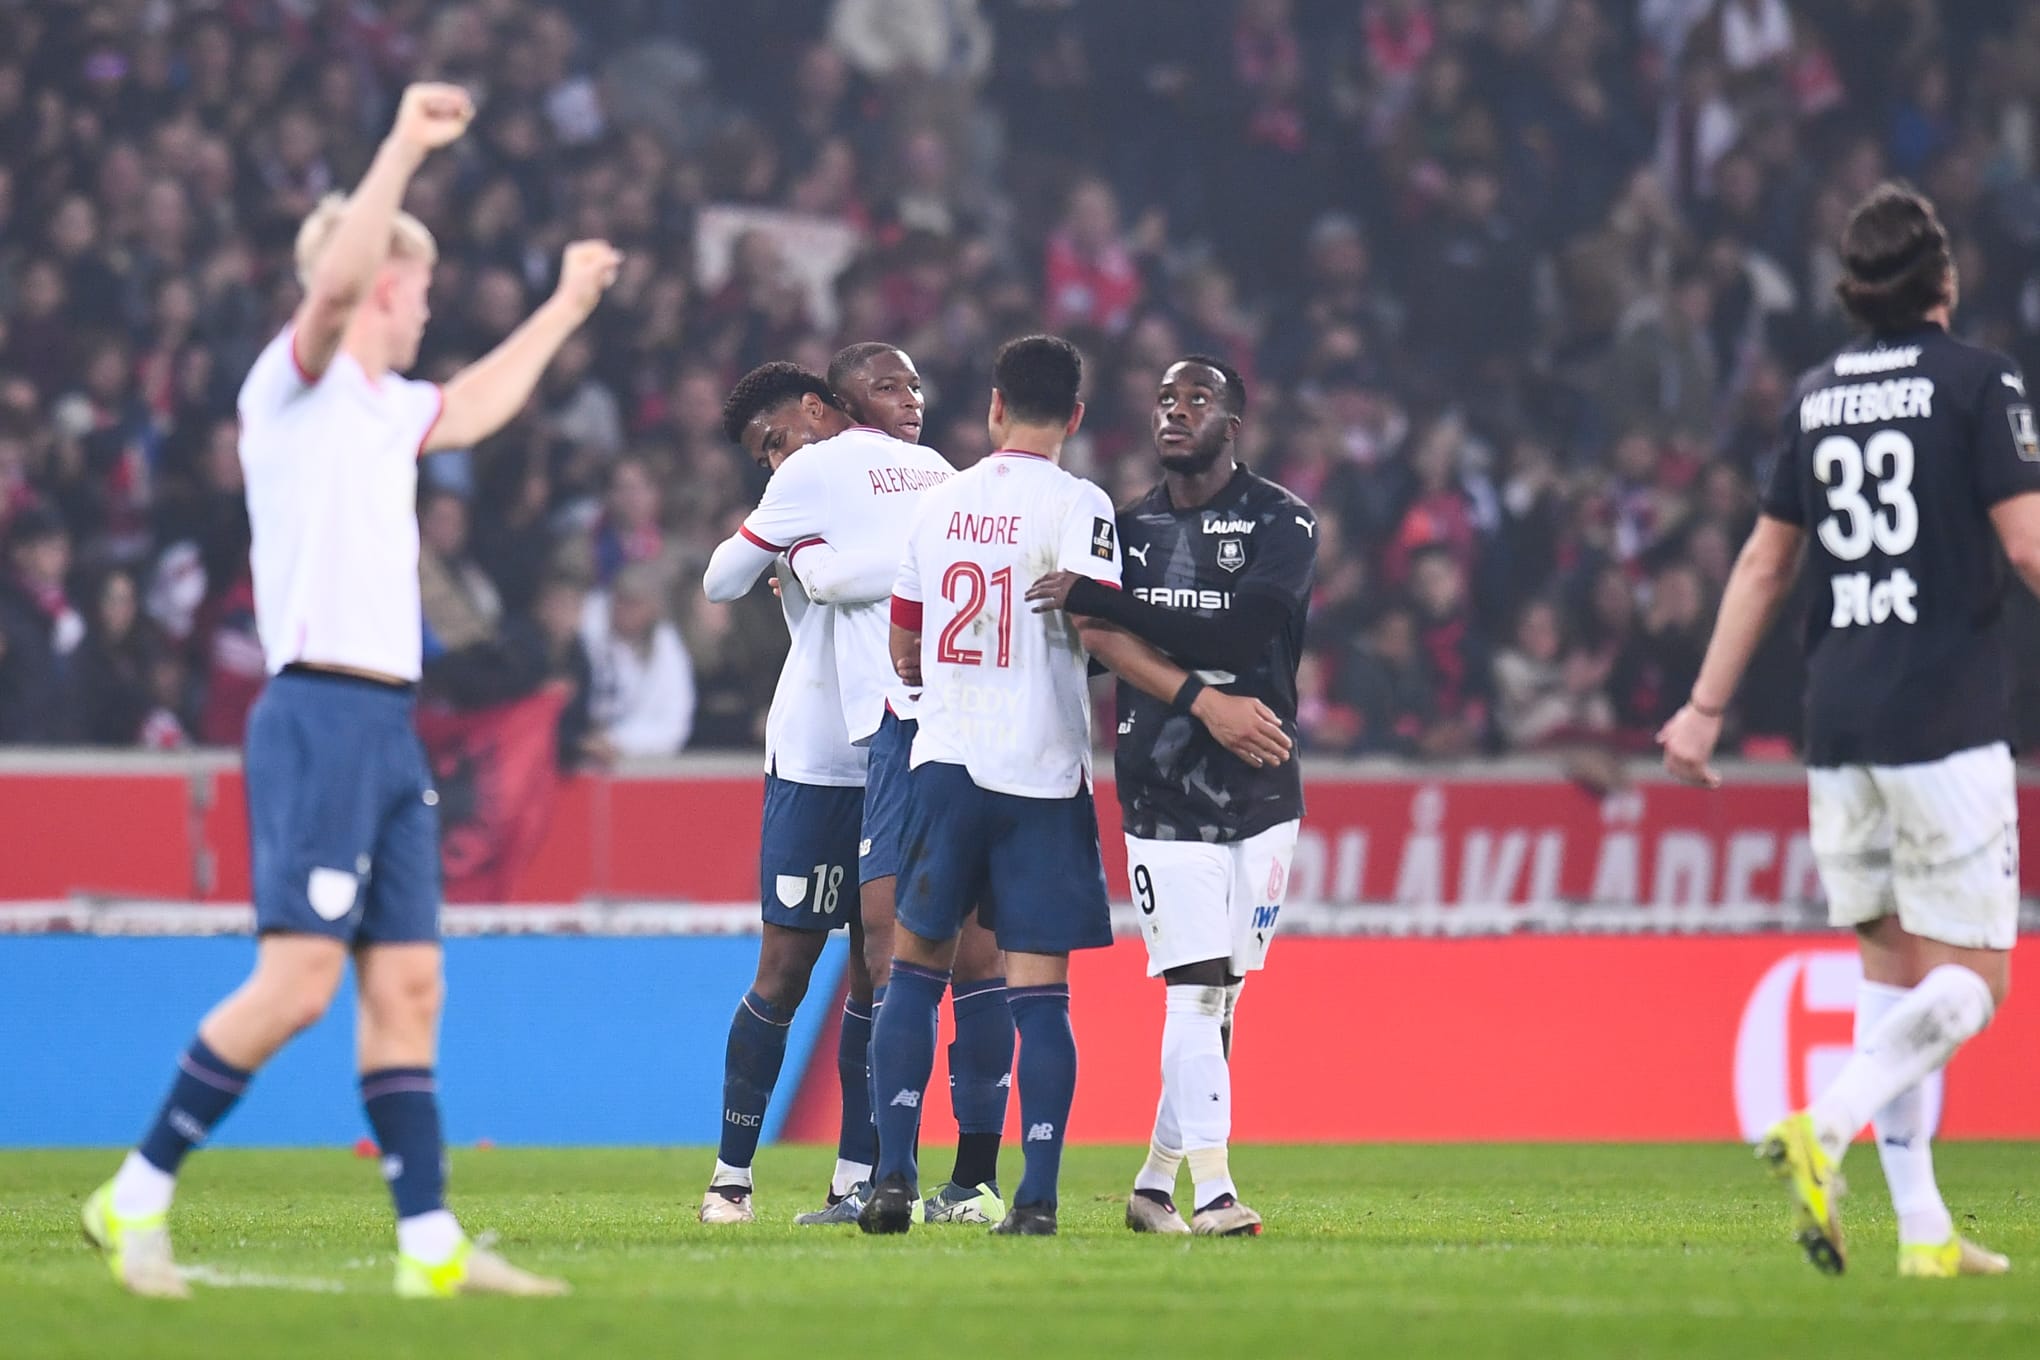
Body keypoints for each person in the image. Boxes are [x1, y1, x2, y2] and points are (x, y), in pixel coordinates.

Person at [81, 84, 619, 1299]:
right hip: (317, 711)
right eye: (416, 283)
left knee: (410, 983)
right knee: (297, 985)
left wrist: (567, 305)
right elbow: (330, 289)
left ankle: (429, 1249)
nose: (425, 301)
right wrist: (402, 148)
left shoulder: (384, 411)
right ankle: (136, 1192)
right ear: (380, 281)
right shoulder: (295, 382)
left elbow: (479, 402)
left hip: (388, 723)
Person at [1659, 183, 2040, 1279]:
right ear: (1946, 283)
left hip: (1840, 715)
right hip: (1946, 714)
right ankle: (1824, 1123)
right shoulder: (1980, 381)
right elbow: (2024, 545)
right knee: (1977, 978)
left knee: (1893, 965)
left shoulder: (1817, 394)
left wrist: (1703, 709)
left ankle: (1923, 1232)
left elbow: (1766, 560)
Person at [861, 336, 1292, 1237]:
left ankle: (891, 1181)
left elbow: (902, 643)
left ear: (992, 406)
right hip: (1039, 779)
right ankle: (1036, 1199)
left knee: (912, 974)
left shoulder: (938, 505)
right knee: (1039, 996)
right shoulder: (1083, 504)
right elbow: (1098, 624)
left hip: (942, 766)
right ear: (1078, 418)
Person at [1025, 356, 1317, 1236]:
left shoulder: (1284, 522)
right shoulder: (1126, 524)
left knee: (1222, 995)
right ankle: (1218, 1193)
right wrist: (1104, 611)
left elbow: (1236, 631)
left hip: (1262, 783)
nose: (1176, 412)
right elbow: (1097, 638)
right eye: (1163, 398)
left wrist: (1100, 599)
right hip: (1159, 783)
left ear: (1235, 423)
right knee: (1191, 988)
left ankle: (1153, 1184)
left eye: (1199, 399)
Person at [697, 359, 953, 1224]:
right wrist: (798, 545)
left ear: (817, 408)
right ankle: (731, 1178)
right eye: (761, 454)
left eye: (776, 439)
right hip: (814, 753)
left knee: (878, 975)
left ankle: (856, 1179)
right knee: (786, 967)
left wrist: (833, 565)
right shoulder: (809, 490)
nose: (774, 460)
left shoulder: (914, 473)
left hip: (893, 747)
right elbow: (723, 580)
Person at [815, 341, 1014, 1226]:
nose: (914, 399)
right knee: (931, 955)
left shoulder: (943, 499)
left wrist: (811, 571)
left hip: (925, 729)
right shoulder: (969, 498)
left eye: (919, 384)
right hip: (975, 734)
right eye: (892, 385)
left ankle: (923, 1179)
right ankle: (925, 1181)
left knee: (927, 956)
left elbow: (903, 635)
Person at [580, 562, 696, 757]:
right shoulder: (586, 625)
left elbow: (674, 725)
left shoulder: (666, 646)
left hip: (632, 764)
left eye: (635, 603)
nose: (624, 610)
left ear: (654, 608)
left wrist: (617, 740)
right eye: (621, 600)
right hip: (577, 747)